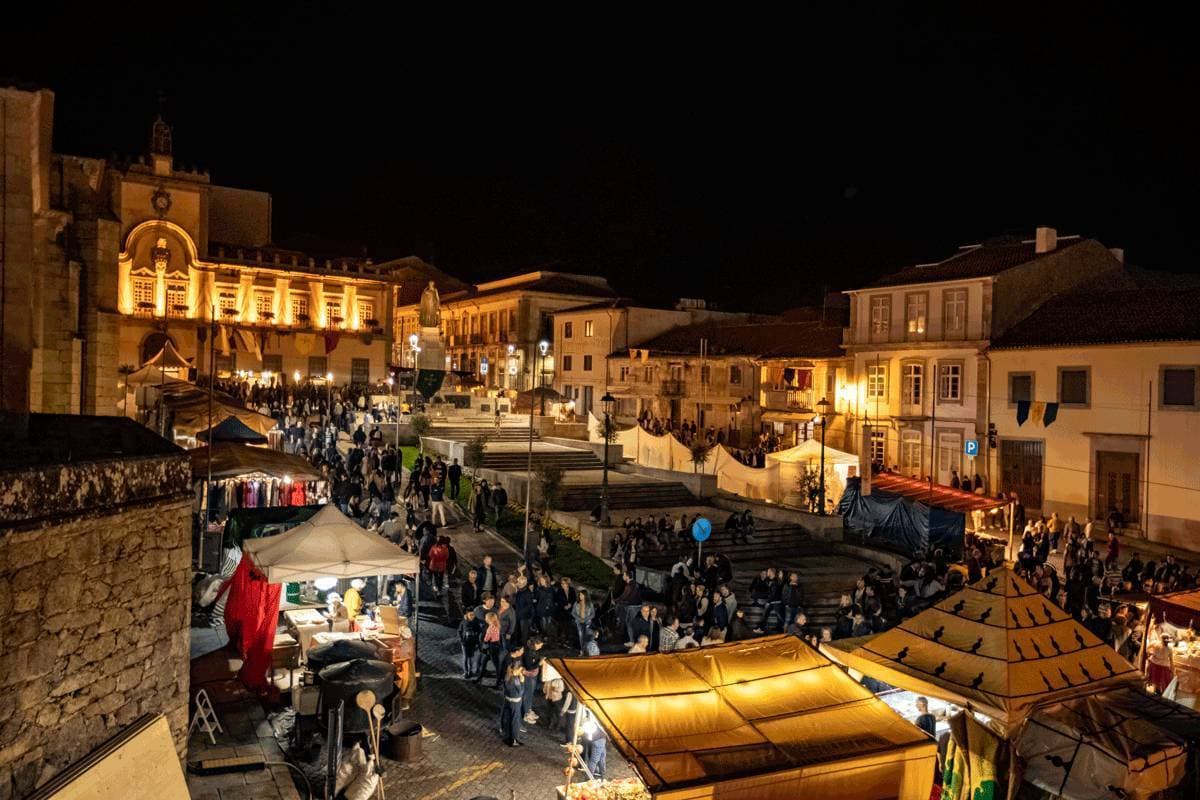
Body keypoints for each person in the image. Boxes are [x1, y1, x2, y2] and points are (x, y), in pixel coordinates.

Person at [500, 661, 526, 746]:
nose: (521, 672)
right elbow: (520, 692)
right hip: (515, 703)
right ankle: (514, 739)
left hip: (508, 701)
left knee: (508, 719)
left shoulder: (508, 676)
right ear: (515, 669)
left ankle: (507, 737)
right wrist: (522, 682)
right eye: (520, 670)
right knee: (515, 721)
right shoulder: (514, 679)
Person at [521, 637, 545, 724]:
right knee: (527, 694)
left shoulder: (533, 651)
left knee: (530, 694)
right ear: (535, 644)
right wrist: (539, 663)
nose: (541, 646)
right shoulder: (528, 653)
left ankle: (529, 709)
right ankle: (526, 714)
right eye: (540, 645)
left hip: (533, 676)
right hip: (529, 676)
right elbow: (529, 667)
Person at [477, 610, 503, 687]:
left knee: (497, 666)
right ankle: (479, 678)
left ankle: (498, 683)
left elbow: (486, 638)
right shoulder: (498, 625)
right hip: (497, 646)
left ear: (489, 619)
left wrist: (482, 641)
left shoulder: (491, 627)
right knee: (485, 661)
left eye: (486, 618)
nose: (485, 618)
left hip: (492, 647)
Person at [458, 609, 482, 679]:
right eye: (470, 615)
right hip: (465, 643)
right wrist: (461, 640)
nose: (472, 616)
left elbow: (479, 631)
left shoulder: (476, 622)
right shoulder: (463, 622)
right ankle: (466, 672)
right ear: (467, 615)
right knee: (465, 657)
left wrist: (477, 639)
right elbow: (459, 631)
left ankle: (470, 671)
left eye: (473, 615)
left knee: (471, 658)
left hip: (473, 643)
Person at [572, 590, 595, 654]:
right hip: (579, 622)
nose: (580, 596)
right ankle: (582, 650)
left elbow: (593, 614)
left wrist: (586, 619)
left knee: (586, 635)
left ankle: (588, 648)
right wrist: (578, 618)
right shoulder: (576, 603)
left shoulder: (590, 604)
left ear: (585, 595)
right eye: (579, 595)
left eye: (582, 595)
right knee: (581, 635)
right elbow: (573, 613)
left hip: (587, 622)